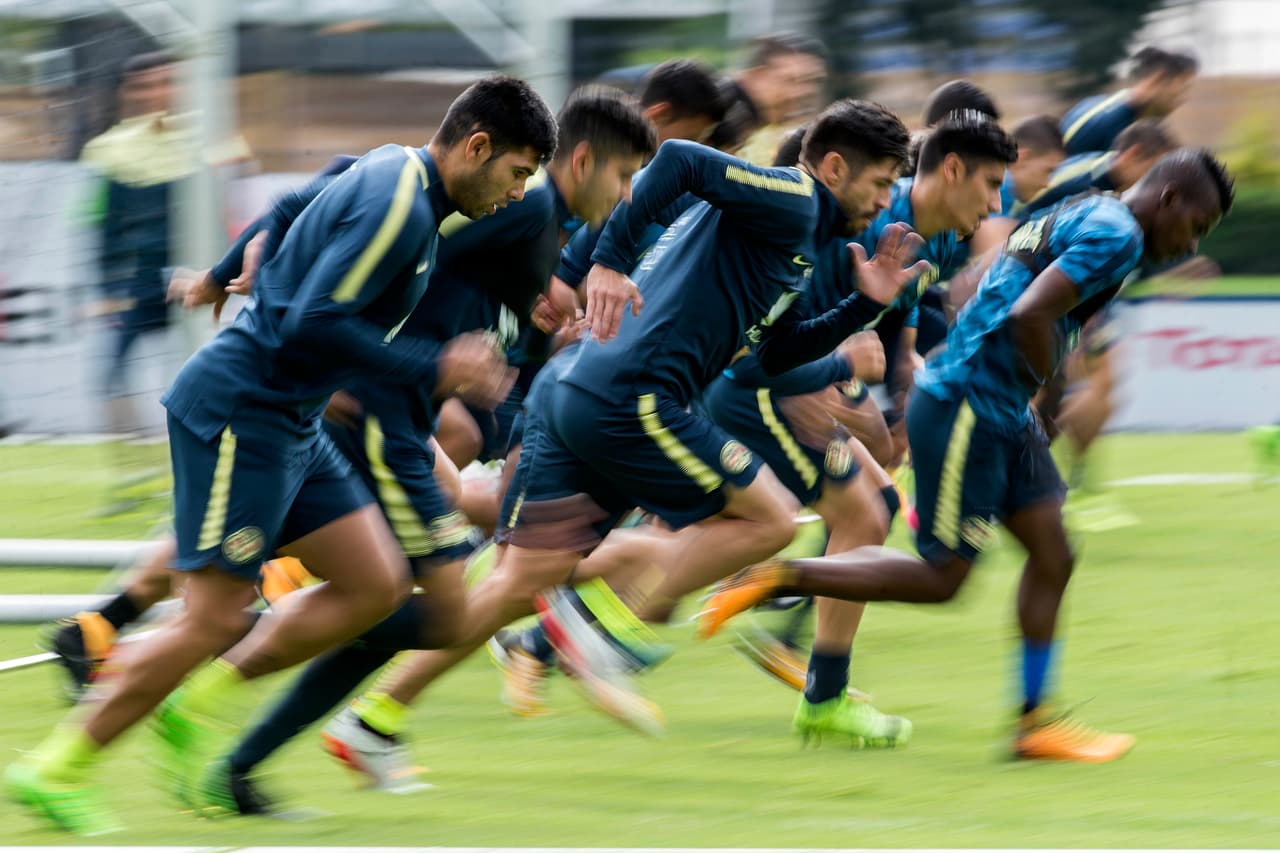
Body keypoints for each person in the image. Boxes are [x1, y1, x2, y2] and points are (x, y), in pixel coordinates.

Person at [5, 75, 558, 836]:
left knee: (375, 582)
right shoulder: (403, 208)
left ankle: (188, 708)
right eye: (518, 173)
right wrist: (438, 368)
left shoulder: (394, 168)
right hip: (242, 414)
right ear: (477, 146)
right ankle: (56, 765)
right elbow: (309, 325)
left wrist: (216, 273)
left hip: (291, 423)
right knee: (211, 619)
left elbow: (298, 202)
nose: (518, 194)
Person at [324, 100, 924, 761]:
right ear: (835, 167)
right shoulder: (795, 197)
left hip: (579, 390)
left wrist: (864, 305)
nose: (887, 199)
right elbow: (680, 158)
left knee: (516, 583)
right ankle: (594, 626)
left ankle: (374, 717)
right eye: (881, 182)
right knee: (773, 519)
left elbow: (775, 353)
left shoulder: (797, 239)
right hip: (632, 395)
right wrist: (607, 259)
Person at [196, 89, 655, 810]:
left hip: (401, 418)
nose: (628, 196)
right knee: (435, 609)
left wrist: (542, 332)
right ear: (585, 160)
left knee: (398, 604)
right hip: (381, 416)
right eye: (624, 177)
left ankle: (237, 749)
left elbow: (472, 304)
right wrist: (253, 276)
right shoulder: (524, 209)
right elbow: (352, 211)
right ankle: (225, 653)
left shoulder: (541, 224)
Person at [698, 148, 1235, 763]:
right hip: (969, 406)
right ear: (1169, 199)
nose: (1190, 245)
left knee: (1054, 554)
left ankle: (1034, 723)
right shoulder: (1119, 236)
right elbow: (1034, 311)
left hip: (996, 407)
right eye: (1195, 226)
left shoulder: (1090, 209)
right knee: (944, 578)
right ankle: (778, 577)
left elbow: (985, 285)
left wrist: (1029, 396)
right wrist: (1048, 390)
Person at [695, 110, 1016, 745]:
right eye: (990, 185)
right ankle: (558, 623)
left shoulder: (943, 233)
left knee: (877, 506)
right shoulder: (860, 225)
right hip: (746, 389)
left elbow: (898, 313)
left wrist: (898, 398)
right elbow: (762, 350)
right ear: (950, 171)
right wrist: (828, 374)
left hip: (778, 384)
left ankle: (807, 661)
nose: (996, 204)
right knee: (854, 516)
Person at [1060, 46, 1197, 156]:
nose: (1182, 99)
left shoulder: (1104, 102)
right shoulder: (1117, 128)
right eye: (1183, 88)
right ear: (1158, 79)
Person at [725, 33, 828, 165]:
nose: (805, 93)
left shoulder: (748, 128)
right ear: (757, 76)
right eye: (791, 80)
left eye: (814, 81)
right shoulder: (720, 121)